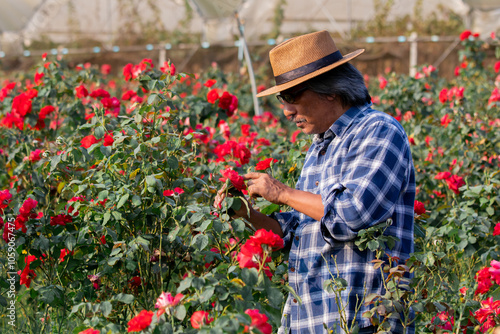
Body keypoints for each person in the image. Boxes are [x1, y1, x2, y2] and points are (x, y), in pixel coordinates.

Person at [214, 30, 415, 334]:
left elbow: (352, 215)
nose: (286, 110)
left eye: (292, 97)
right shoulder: (321, 145)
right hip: (310, 321)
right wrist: (247, 213)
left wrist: (280, 192)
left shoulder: (379, 131)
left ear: (330, 91)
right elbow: (297, 231)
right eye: (283, 98)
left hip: (360, 322)